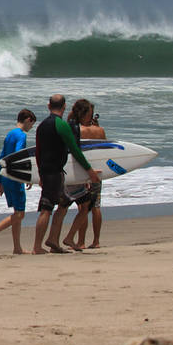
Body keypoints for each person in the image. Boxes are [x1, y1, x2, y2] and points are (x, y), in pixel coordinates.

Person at [32, 94, 101, 254]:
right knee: (47, 209)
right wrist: (89, 171)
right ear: (63, 107)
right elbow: (75, 150)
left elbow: (38, 152)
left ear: (49, 106)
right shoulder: (61, 125)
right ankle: (37, 247)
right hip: (55, 172)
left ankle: (53, 241)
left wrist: (40, 174)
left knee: (61, 206)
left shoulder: (41, 126)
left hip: (48, 171)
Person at [0, 109, 36, 254]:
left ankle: (17, 248)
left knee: (17, 212)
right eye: (32, 124)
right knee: (20, 214)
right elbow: (19, 155)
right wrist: (27, 176)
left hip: (5, 177)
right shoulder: (21, 135)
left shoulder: (10, 134)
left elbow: (1, 158)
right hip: (14, 178)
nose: (31, 128)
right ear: (28, 119)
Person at [61, 99, 99, 251]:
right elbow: (75, 152)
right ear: (83, 114)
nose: (90, 117)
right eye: (89, 114)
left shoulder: (68, 125)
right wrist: (88, 173)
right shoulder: (74, 128)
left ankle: (62, 240)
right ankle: (70, 238)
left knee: (65, 207)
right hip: (76, 172)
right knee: (86, 206)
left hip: (68, 172)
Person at [70, 106, 106, 249]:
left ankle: (81, 241)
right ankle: (96, 241)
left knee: (82, 207)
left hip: (85, 171)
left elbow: (77, 152)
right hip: (98, 172)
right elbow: (105, 150)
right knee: (96, 206)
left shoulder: (80, 130)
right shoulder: (101, 130)